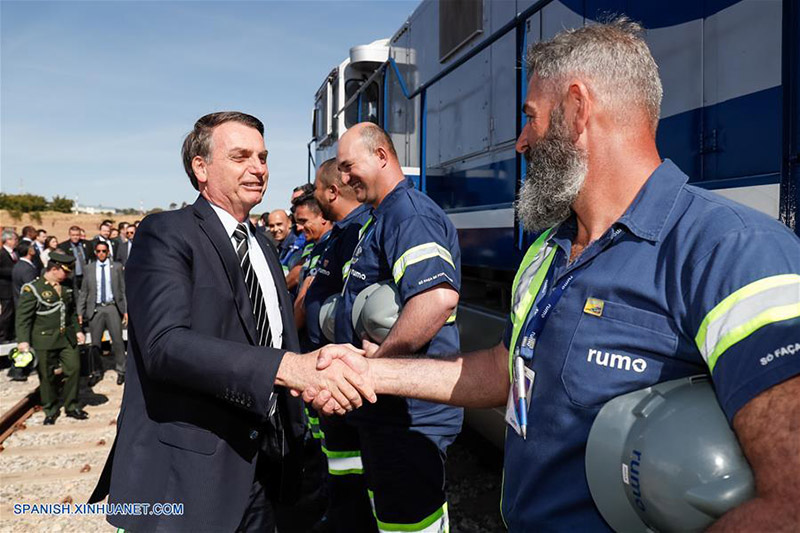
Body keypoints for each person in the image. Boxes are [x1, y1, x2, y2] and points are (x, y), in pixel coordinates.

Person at [307, 18, 800, 531]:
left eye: (531, 118)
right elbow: (504, 373)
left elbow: (789, 504)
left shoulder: (734, 250)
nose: (520, 142)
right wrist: (372, 372)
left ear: (577, 109)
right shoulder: (547, 250)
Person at [88, 111, 375, 532]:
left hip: (268, 470)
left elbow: (276, 337)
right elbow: (164, 346)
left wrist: (310, 382)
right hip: (192, 478)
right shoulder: (166, 234)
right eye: (241, 156)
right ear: (200, 168)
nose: (259, 168)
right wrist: (284, 369)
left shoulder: (261, 243)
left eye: (262, 156)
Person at [330, 122, 463, 533]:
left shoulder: (408, 212)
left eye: (350, 166)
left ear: (382, 157)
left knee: (411, 524)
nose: (345, 177)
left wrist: (377, 367)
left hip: (411, 416)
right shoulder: (381, 216)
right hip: (388, 414)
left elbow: (436, 299)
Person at [302, 158, 372, 530]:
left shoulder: (359, 232)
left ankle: (348, 515)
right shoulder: (342, 233)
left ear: (331, 191)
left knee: (350, 459)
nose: (314, 195)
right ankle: (338, 506)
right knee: (337, 455)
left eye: (317, 187)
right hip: (326, 366)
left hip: (343, 370)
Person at [15, 253, 87, 425]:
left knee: (74, 369)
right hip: (44, 339)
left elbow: (71, 312)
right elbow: (23, 318)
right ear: (54, 270)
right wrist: (23, 341)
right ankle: (50, 408)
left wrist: (78, 330)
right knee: (46, 376)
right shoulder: (33, 289)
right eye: (65, 272)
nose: (68, 275)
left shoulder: (67, 286)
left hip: (66, 338)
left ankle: (71, 405)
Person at [77, 241, 127, 385]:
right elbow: (84, 291)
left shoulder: (116, 267)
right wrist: (80, 311)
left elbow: (123, 290)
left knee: (117, 340)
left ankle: (121, 370)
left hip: (112, 307)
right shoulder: (89, 268)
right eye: (98, 251)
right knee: (95, 343)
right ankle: (96, 371)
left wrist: (125, 310)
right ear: (95, 252)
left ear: (108, 252)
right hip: (96, 308)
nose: (101, 254)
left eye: (104, 251)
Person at [292, 193, 332, 333]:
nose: (299, 228)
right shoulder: (315, 246)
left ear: (322, 217)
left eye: (303, 221)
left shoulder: (331, 246)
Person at [57, 225, 91, 290]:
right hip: (72, 276)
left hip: (85, 275)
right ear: (69, 235)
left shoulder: (87, 244)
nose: (75, 237)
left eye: (77, 235)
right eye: (73, 235)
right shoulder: (63, 246)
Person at [0, 229, 19, 342]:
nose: (16, 241)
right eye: (14, 239)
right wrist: (12, 271)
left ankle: (11, 334)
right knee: (7, 313)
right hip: (5, 288)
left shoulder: (15, 253)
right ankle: (2, 336)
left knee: (13, 312)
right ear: (8, 240)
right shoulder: (2, 254)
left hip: (14, 288)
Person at [12, 241, 39, 306]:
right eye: (32, 247)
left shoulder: (18, 264)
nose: (34, 249)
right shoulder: (27, 268)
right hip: (26, 304)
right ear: (29, 250)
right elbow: (31, 288)